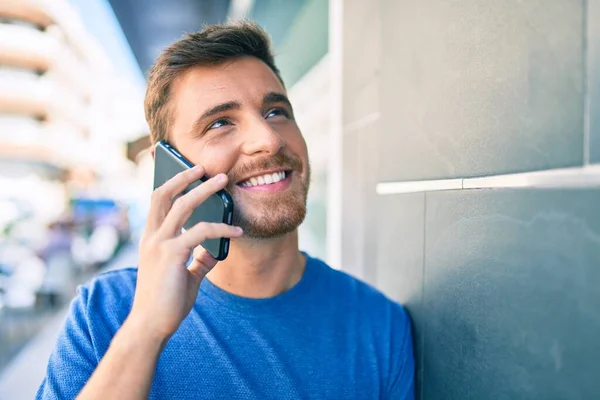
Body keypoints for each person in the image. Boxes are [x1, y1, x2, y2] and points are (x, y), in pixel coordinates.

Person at [36, 22, 415, 399]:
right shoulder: (104, 314)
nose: (267, 140)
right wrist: (146, 329)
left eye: (276, 112)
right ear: (168, 168)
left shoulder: (379, 327)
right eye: (220, 123)